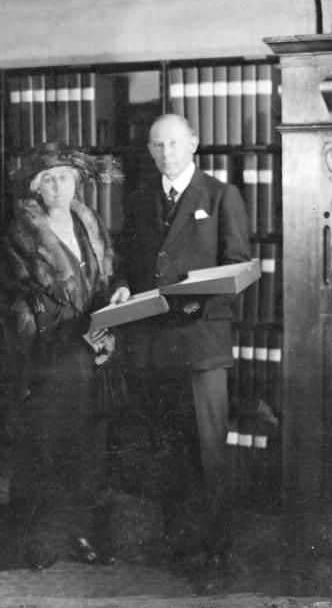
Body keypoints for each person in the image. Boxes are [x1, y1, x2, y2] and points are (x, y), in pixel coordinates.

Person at [119, 113, 252, 593]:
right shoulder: (139, 201)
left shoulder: (220, 196)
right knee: (168, 450)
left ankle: (215, 553)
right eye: (157, 145)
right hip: (155, 347)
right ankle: (180, 545)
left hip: (201, 347)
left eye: (174, 143)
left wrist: (194, 301)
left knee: (208, 453)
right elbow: (127, 262)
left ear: (194, 143)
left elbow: (238, 269)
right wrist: (118, 287)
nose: (165, 153)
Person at [0, 141, 128, 570]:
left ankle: (81, 534)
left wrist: (116, 291)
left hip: (94, 355)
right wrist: (36, 322)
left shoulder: (90, 225)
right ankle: (33, 543)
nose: (60, 185)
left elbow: (105, 277)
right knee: (43, 452)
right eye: (50, 179)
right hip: (51, 361)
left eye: (66, 177)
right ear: (37, 188)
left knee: (90, 453)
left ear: (77, 182)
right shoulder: (19, 239)